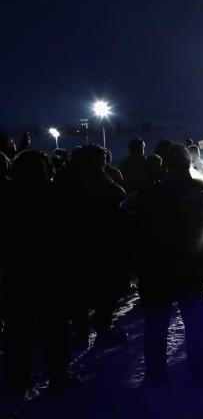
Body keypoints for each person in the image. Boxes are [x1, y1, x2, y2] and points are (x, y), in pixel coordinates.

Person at [134, 144, 203, 385]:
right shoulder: (198, 192)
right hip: (188, 269)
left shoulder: (148, 194)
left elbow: (135, 230)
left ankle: (155, 374)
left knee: (156, 325)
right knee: (195, 323)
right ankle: (201, 369)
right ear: (187, 163)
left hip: (155, 270)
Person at [0, 150, 79, 394]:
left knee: (17, 331)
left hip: (17, 273)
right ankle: (57, 377)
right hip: (51, 274)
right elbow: (69, 236)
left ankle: (16, 381)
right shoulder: (55, 194)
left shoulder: (7, 196)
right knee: (54, 329)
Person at [55, 144, 128, 349]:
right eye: (102, 159)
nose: (105, 163)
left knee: (79, 295)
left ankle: (80, 335)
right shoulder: (97, 180)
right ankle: (103, 333)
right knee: (103, 294)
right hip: (99, 246)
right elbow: (118, 197)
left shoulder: (64, 178)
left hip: (72, 248)